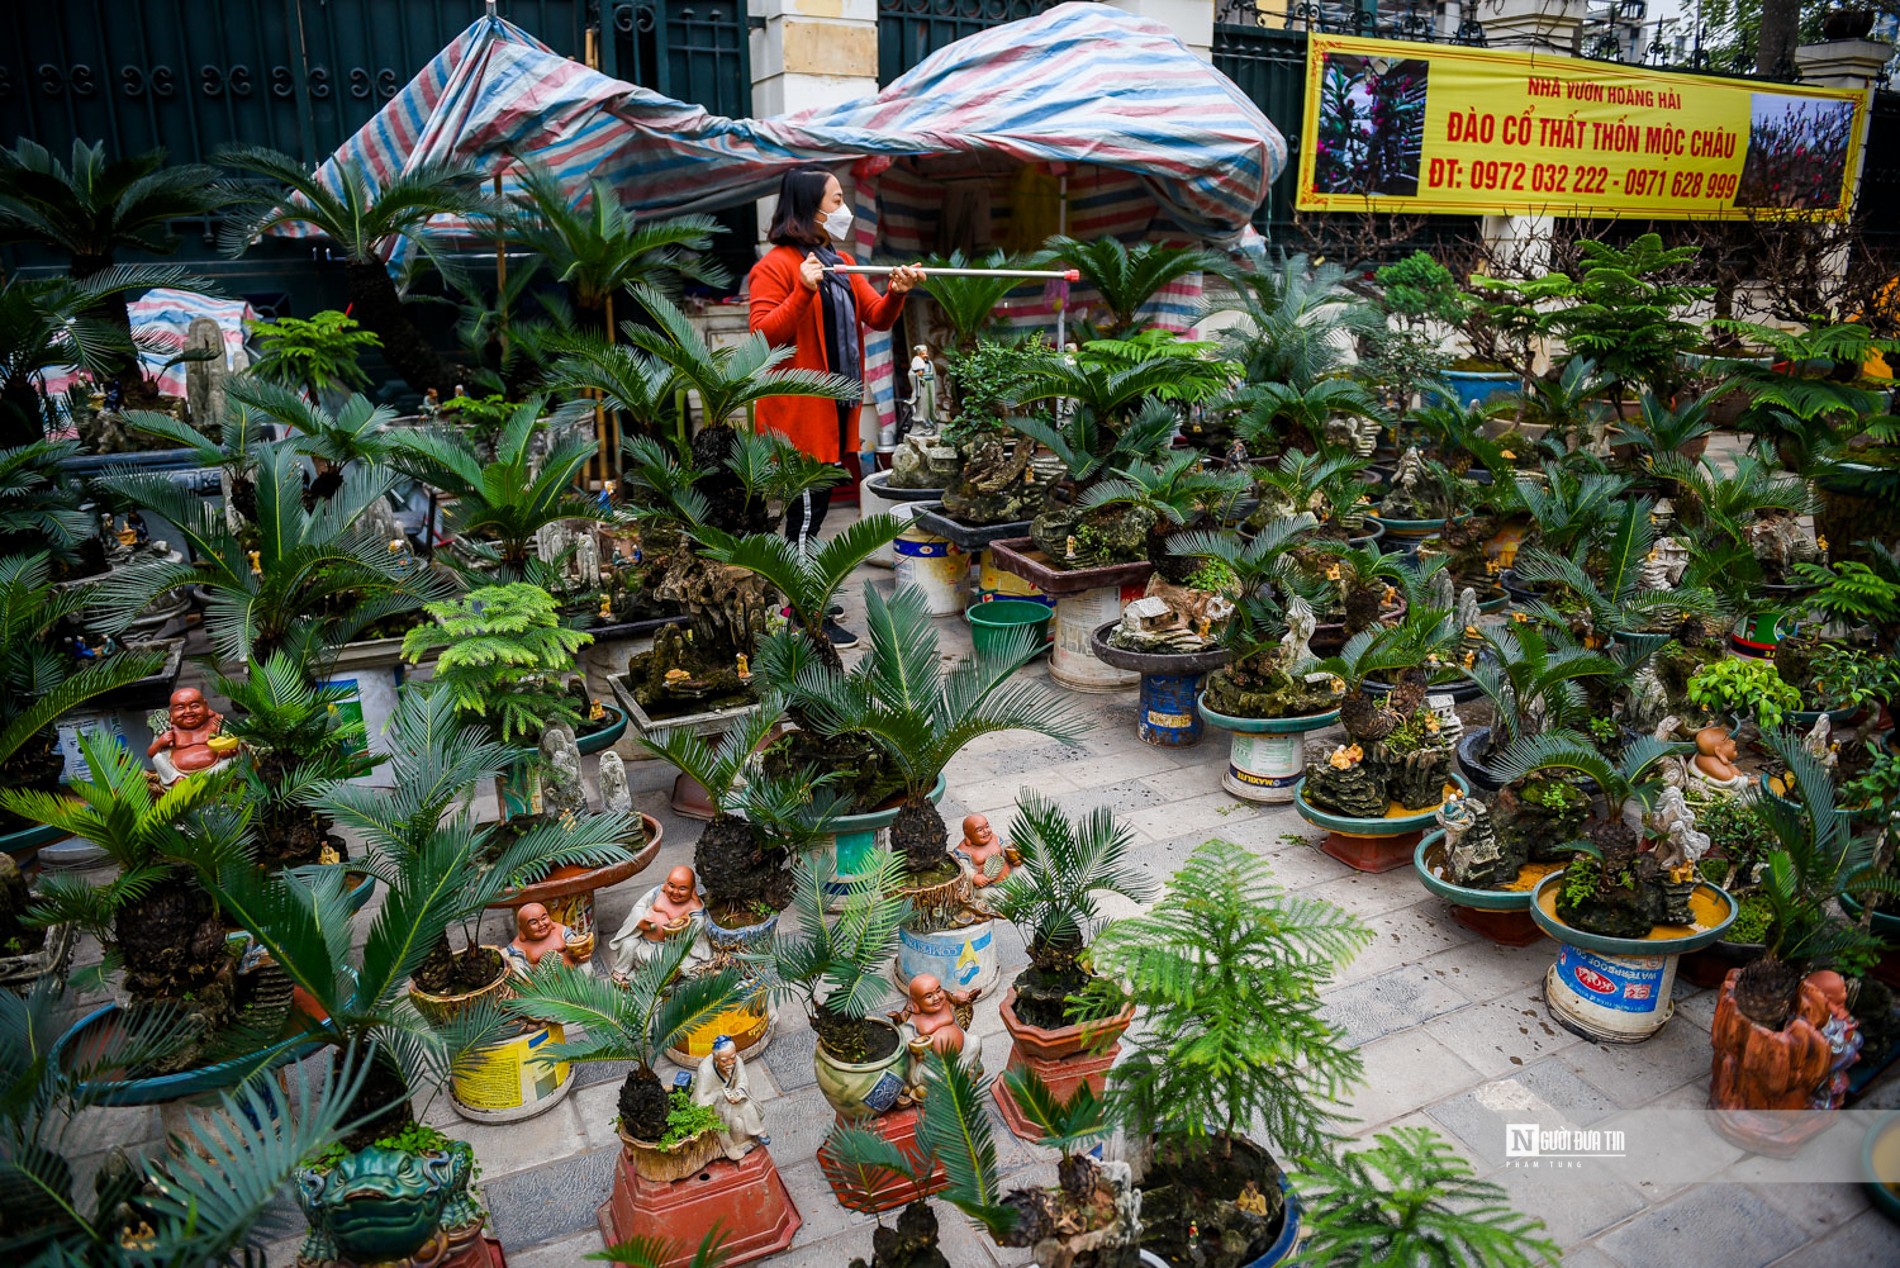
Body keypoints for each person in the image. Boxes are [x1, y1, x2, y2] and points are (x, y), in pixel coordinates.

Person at [747, 167, 924, 649]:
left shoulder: (839, 259)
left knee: (814, 515)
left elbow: (876, 317)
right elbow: (763, 336)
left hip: (835, 410)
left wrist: (897, 293)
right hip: (798, 419)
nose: (843, 208)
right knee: (805, 518)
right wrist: (803, 289)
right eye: (837, 198)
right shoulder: (776, 266)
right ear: (810, 208)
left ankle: (800, 595)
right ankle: (804, 615)